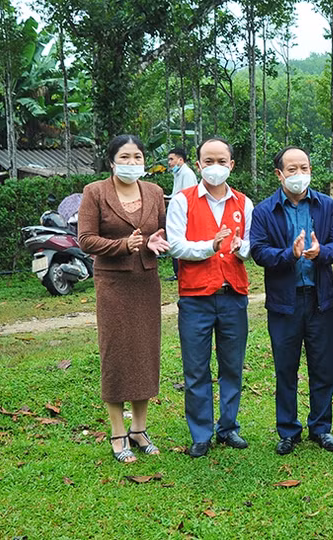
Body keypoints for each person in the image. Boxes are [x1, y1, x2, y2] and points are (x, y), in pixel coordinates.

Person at [78, 134, 170, 463]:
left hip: (146, 281)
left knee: (145, 354)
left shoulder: (155, 192)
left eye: (138, 157)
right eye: (125, 157)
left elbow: (160, 232)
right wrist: (122, 246)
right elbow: (85, 238)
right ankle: (118, 433)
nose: (132, 163)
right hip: (113, 284)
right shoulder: (95, 192)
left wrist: (157, 241)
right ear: (112, 160)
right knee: (116, 355)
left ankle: (140, 430)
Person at [250, 146, 333, 455]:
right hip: (284, 303)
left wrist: (322, 253)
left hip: (320, 299)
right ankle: (288, 429)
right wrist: (289, 254)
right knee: (285, 369)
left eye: (304, 167)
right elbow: (259, 252)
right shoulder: (265, 211)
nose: (298, 174)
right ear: (279, 174)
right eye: (292, 169)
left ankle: (321, 427)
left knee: (323, 366)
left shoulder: (326, 205)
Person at [166, 137, 253, 458]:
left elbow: (249, 245)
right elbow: (176, 245)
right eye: (208, 161)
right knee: (196, 369)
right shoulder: (182, 200)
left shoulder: (243, 203)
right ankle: (201, 433)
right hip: (196, 298)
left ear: (231, 165)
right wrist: (210, 247)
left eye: (222, 162)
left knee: (232, 366)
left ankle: (228, 428)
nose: (215, 167)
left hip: (233, 296)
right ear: (198, 164)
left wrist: (239, 249)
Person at [166, 147, 198, 281]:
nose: (169, 162)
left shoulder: (187, 174)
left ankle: (181, 272)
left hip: (186, 215)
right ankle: (177, 272)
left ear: (180, 160)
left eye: (171, 159)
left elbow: (189, 197)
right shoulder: (178, 174)